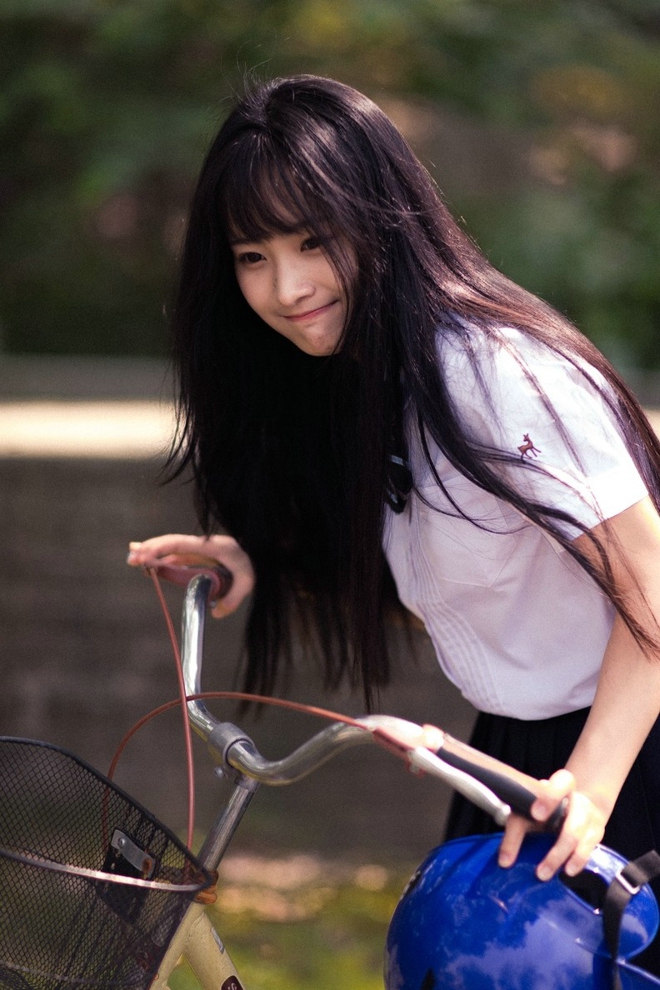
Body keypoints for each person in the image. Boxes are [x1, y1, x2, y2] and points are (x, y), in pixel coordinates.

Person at [127, 74, 660, 970]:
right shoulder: (374, 375)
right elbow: (447, 556)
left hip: (625, 748)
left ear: (382, 217)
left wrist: (592, 788)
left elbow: (652, 582)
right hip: (521, 751)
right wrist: (261, 559)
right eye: (252, 256)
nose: (287, 286)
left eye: (313, 240)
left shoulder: (492, 370)